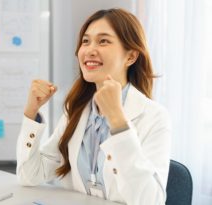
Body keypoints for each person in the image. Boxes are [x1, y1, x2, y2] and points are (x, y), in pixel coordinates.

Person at [16, 8, 171, 205]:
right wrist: (31, 113)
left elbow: (151, 201)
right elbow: (29, 175)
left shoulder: (154, 116)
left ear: (131, 56)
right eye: (85, 41)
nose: (89, 50)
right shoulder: (77, 109)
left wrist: (117, 121)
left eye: (103, 41)